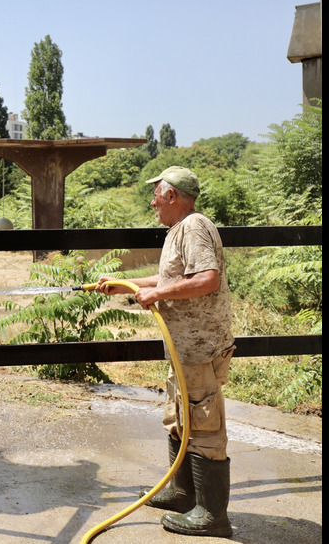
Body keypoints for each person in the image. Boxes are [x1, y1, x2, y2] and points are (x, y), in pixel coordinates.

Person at [95, 166, 235, 537]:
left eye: (156, 194)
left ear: (172, 196)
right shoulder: (180, 229)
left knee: (203, 426)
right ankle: (180, 493)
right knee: (180, 418)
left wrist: (157, 295)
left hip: (200, 348)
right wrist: (125, 285)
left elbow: (208, 279)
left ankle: (212, 515)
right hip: (184, 348)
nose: (152, 201)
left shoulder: (193, 227)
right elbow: (172, 278)